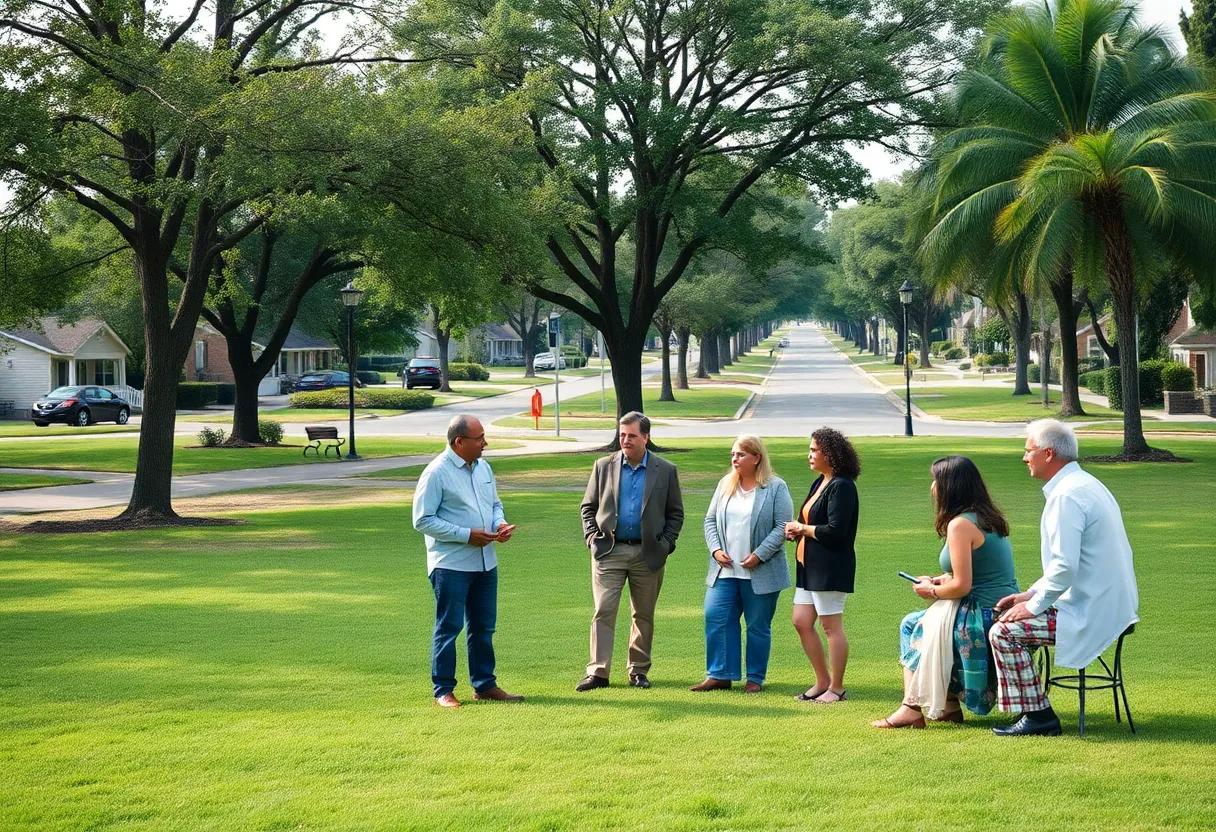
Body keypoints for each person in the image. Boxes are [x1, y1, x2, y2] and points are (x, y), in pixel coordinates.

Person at [988, 419, 1139, 737]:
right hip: (1106, 602)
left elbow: (1065, 568)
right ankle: (1028, 705)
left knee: (1004, 631)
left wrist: (1033, 605)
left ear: (1047, 453)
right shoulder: (1084, 485)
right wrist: (1030, 595)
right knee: (1007, 616)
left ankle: (1038, 715)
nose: (1024, 457)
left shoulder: (1066, 497)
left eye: (1028, 450)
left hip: (1092, 609)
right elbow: (1066, 566)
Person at [872, 456, 1019, 729]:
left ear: (951, 487)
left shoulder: (960, 525)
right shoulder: (987, 517)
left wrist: (931, 591)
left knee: (912, 625)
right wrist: (940, 580)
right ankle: (948, 706)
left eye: (936, 481)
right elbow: (975, 573)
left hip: (982, 611)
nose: (931, 488)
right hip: (1000, 605)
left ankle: (911, 707)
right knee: (924, 624)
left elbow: (963, 586)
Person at [412, 415, 522, 708]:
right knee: (449, 628)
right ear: (459, 442)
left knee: (484, 627)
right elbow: (422, 520)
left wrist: (500, 524)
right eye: (480, 438)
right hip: (451, 565)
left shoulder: (483, 467)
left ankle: (485, 685)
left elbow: (494, 504)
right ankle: (443, 691)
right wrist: (465, 535)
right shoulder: (436, 473)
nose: (485, 443)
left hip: (486, 562)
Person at [577, 412, 685, 691]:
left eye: (632, 435)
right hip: (608, 551)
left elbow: (675, 514)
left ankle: (638, 670)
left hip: (648, 554)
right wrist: (592, 537)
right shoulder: (603, 466)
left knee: (643, 613)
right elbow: (588, 507)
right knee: (604, 610)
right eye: (622, 435)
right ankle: (598, 672)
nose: (625, 440)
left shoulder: (666, 470)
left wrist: (666, 545)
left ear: (646, 437)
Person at [692, 435, 793, 694]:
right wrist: (715, 549)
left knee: (758, 625)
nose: (734, 459)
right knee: (716, 616)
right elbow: (710, 520)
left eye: (741, 454)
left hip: (760, 571)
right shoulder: (726, 484)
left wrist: (759, 554)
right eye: (733, 454)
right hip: (725, 571)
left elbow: (783, 526)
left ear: (757, 457)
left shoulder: (775, 487)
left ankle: (755, 678)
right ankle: (719, 674)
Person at [784, 427, 860, 704]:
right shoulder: (821, 482)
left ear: (830, 453)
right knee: (801, 621)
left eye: (814, 450)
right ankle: (822, 681)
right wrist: (798, 531)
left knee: (830, 626)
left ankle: (837, 688)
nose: (810, 455)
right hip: (808, 564)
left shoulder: (842, 485)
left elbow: (836, 531)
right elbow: (813, 521)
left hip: (830, 566)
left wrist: (802, 528)